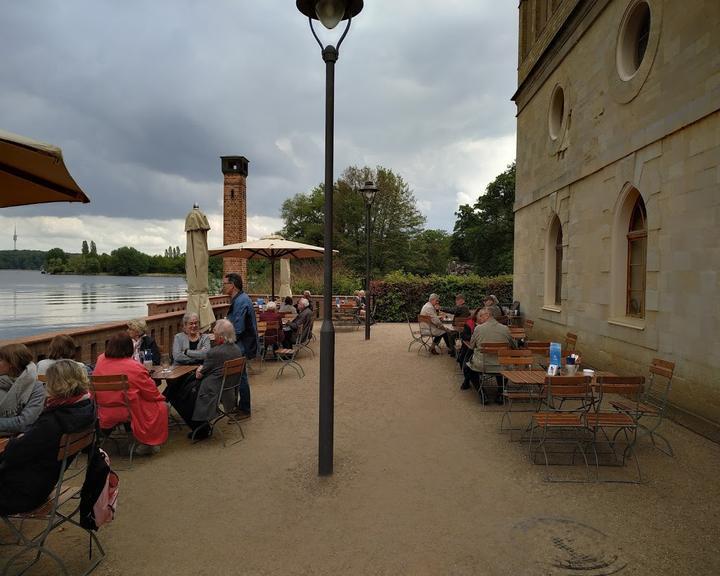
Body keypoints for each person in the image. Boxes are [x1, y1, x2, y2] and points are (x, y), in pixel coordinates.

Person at [0, 359, 95, 515]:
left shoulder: (53, 420)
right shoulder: (84, 408)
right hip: (43, 483)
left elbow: (13, 453)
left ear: (55, 384)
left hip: (22, 493)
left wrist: (16, 441)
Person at [169, 320, 247, 440]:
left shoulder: (215, 352)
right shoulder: (236, 349)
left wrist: (200, 368)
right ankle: (201, 427)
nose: (212, 333)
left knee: (179, 396)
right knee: (181, 390)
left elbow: (199, 374)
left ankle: (200, 429)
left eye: (214, 331)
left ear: (220, 335)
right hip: (227, 388)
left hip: (211, 390)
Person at [93, 333, 168, 455]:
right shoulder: (134, 367)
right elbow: (152, 392)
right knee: (161, 406)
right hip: (127, 411)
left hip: (102, 411)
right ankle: (146, 443)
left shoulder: (100, 360)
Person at [462, 308, 515, 402]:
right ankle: (500, 393)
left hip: (483, 365)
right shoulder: (505, 328)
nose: (479, 320)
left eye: (480, 317)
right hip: (502, 364)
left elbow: (471, 346)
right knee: (503, 366)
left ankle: (482, 393)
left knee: (471, 369)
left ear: (486, 315)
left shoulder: (478, 329)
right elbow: (513, 345)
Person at [0, 343, 46, 435]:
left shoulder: (36, 386)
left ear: (12, 363)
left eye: (0, 360)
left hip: (17, 442)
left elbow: (25, 422)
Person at [223, 273, 257, 360]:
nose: (223, 286)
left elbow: (239, 328)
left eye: (225, 283)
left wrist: (227, 342)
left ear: (232, 285)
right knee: (241, 371)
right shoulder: (242, 298)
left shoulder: (240, 301)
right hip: (245, 344)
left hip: (242, 345)